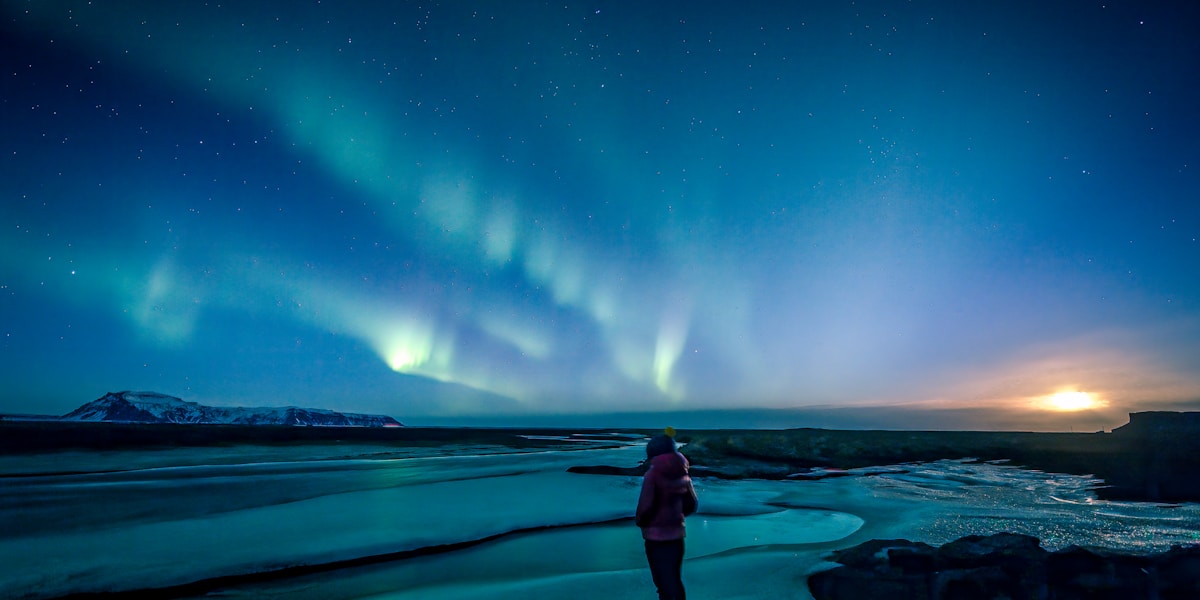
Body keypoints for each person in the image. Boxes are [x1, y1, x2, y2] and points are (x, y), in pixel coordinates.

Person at [635, 427, 698, 600]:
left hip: (656, 538)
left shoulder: (653, 475)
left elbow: (645, 508)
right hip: (677, 537)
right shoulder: (683, 474)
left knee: (663, 583)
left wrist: (640, 521)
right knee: (674, 580)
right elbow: (691, 504)